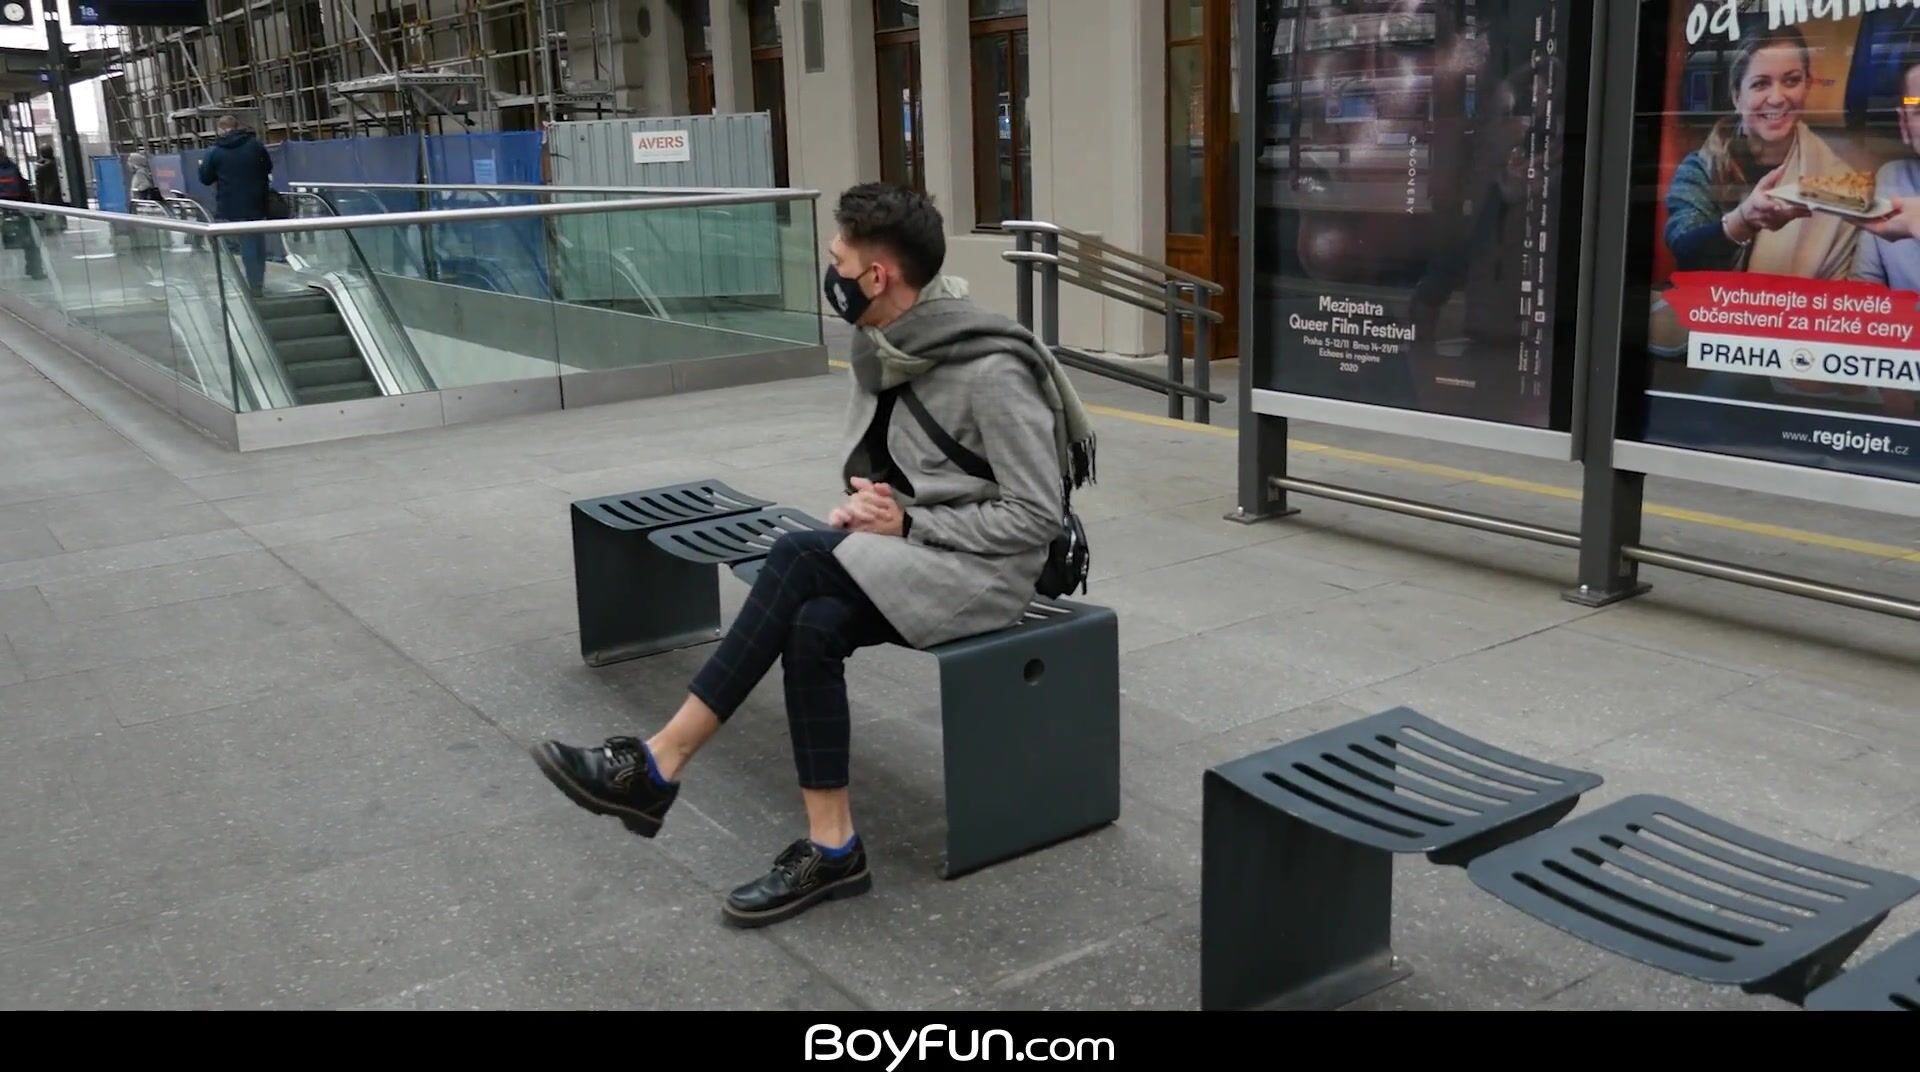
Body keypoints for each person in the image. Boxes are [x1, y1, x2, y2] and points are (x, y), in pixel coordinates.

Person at [529, 182, 1096, 928]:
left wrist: (909, 526)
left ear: (877, 276)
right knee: (811, 623)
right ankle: (833, 849)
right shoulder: (889, 345)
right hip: (921, 555)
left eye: (838, 259)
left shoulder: (990, 369)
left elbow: (1036, 516)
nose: (829, 272)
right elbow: (915, 473)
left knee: (798, 558)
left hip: (983, 573)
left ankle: (659, 762)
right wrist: (873, 508)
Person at [1661, 23, 1857, 279]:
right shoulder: (1701, 169)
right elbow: (1684, 250)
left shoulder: (1838, 181)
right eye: (1760, 84)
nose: (1777, 98)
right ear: (1736, 96)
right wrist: (1743, 221)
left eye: (1791, 81)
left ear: (1807, 85)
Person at [197, 115, 274, 295]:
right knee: (256, 242)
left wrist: (204, 167)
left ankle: (243, 285)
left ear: (220, 129)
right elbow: (268, 167)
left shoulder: (215, 151)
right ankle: (257, 282)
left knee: (237, 243)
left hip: (230, 203)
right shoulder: (255, 145)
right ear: (237, 126)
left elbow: (205, 179)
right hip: (256, 201)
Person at [0, 148, 44, 280]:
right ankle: (35, 270)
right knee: (30, 242)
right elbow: (23, 188)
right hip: (18, 210)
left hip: (4, 210)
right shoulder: (12, 167)